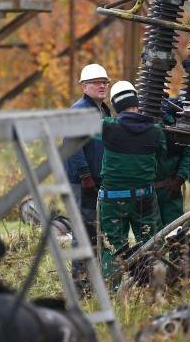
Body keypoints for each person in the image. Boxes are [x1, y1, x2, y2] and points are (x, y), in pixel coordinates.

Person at [98, 80, 165, 279]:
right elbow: (161, 159)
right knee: (151, 243)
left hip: (112, 200)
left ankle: (114, 292)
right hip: (144, 197)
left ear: (116, 105)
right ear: (137, 102)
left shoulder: (107, 127)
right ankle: (152, 286)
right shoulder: (156, 130)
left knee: (113, 247)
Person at [65, 64, 111, 293]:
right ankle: (80, 288)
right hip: (81, 183)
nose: (102, 85)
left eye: (105, 81)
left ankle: (94, 284)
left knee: (96, 232)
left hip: (97, 182)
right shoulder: (79, 111)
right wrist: (85, 175)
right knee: (82, 233)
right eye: (96, 82)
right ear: (84, 86)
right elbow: (72, 147)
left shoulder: (104, 111)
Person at [154, 100, 190, 228]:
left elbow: (187, 154)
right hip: (148, 190)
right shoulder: (143, 121)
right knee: (152, 233)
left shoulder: (176, 123)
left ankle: (179, 248)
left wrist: (179, 179)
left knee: (175, 230)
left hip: (170, 187)